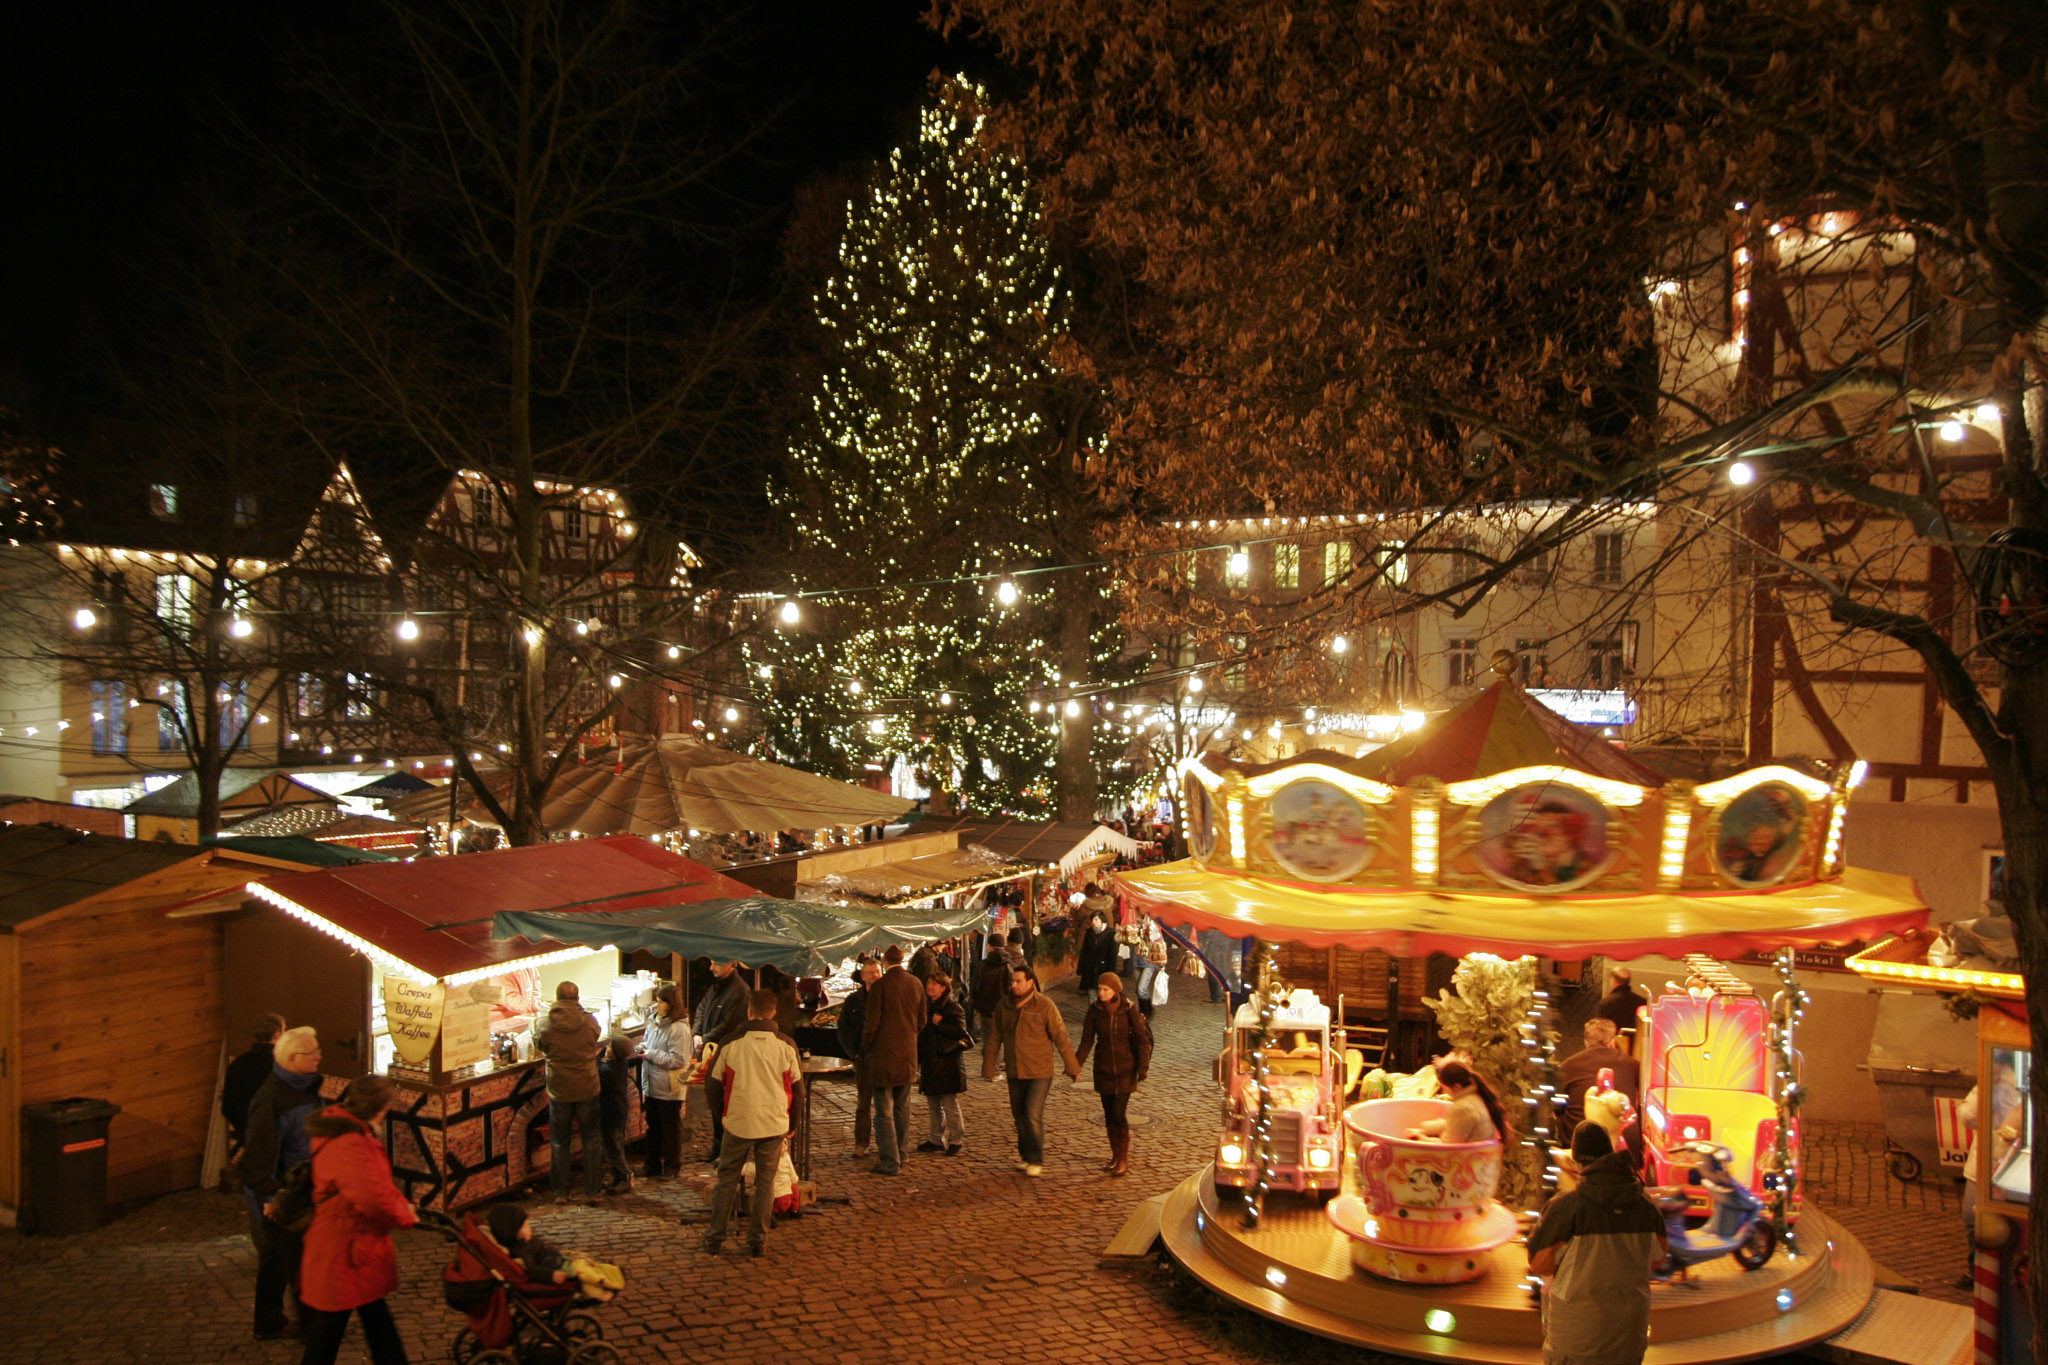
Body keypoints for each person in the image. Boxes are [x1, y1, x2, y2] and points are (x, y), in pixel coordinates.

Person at [298, 1075, 418, 1365]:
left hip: (351, 1245)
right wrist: (404, 1214)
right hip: (346, 1248)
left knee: (371, 1315)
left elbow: (375, 1186)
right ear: (380, 1107)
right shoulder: (352, 1142)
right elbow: (370, 1195)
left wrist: (401, 1204)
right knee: (330, 1327)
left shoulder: (340, 1130)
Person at [1526, 1122, 1667, 1365]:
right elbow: (1657, 1259)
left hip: (1576, 1343)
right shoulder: (1647, 1206)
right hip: (1629, 1341)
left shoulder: (1565, 1208)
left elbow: (1539, 1264)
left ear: (1578, 1162)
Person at [237, 1025, 325, 1341]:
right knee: (296, 1259)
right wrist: (270, 1197)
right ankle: (311, 1324)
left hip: (293, 1190)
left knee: (277, 1260)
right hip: (283, 1195)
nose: (319, 1056)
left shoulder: (302, 1089)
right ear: (292, 1058)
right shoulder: (274, 1099)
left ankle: (271, 1322)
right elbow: (259, 1154)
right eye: (313, 1052)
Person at [701, 989, 802, 1257]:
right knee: (766, 1183)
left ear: (749, 1011)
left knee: (726, 1180)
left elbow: (712, 1084)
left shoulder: (730, 1043)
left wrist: (721, 1114)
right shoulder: (786, 1045)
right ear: (774, 1012)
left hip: (738, 1121)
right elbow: (798, 1088)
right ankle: (758, 1240)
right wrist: (792, 1123)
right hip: (773, 1122)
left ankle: (715, 1237)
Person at [982, 964, 1081, 1176]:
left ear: (1030, 982)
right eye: (1012, 981)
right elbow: (994, 1038)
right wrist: (989, 1066)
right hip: (1015, 1070)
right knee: (1019, 1116)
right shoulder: (1004, 1006)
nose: (1014, 985)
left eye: (1018, 981)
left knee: (1032, 1114)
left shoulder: (1045, 1006)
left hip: (1040, 1070)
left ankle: (1036, 1159)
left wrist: (1071, 1065)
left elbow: (1060, 1036)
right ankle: (1026, 1156)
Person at [1076, 973, 1153, 1177]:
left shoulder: (1129, 1010)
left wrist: (1143, 1067)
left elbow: (1141, 1039)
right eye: (1100, 989)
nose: (1101, 993)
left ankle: (1123, 1158)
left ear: (1115, 991)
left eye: (1105, 990)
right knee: (1109, 1114)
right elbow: (1086, 1040)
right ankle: (1115, 1155)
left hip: (1126, 1069)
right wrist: (1076, 1064)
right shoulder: (1095, 1011)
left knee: (1119, 1113)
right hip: (1103, 1068)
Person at [532, 981, 602, 1205]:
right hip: (587, 1086)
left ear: (556, 997)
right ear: (577, 998)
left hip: (559, 1089)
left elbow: (539, 1043)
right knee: (591, 1140)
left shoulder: (545, 1024)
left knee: (559, 1142)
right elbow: (595, 1038)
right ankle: (593, 1191)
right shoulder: (590, 1022)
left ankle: (561, 1192)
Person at [861, 944, 925, 1175]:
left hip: (883, 1055)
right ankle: (902, 1152)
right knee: (902, 1107)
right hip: (908, 1053)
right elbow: (922, 1019)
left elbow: (872, 1023)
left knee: (884, 1111)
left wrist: (867, 1046)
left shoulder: (881, 987)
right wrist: (909, 1036)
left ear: (885, 961)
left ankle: (890, 1160)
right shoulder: (916, 983)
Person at [692, 961, 751, 1160]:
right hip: (712, 1051)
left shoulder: (740, 991)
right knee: (715, 1098)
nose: (711, 968)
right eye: (710, 963)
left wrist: (705, 1037)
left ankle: (725, 1149)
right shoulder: (716, 986)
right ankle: (718, 1147)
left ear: (731, 965)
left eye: (716, 963)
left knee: (726, 1101)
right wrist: (697, 1033)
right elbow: (701, 1008)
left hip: (726, 1053)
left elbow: (730, 1023)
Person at [915, 970, 970, 1156]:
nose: (930, 986)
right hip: (930, 1062)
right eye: (928, 983)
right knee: (933, 1105)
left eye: (934, 984)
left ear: (943, 987)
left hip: (947, 1064)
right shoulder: (926, 1006)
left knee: (949, 1104)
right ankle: (936, 1138)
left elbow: (963, 1035)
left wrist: (941, 1024)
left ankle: (956, 1140)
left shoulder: (952, 1008)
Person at [638, 984, 689, 1180]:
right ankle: (652, 1164)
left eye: (661, 1002)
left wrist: (650, 1054)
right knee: (653, 1126)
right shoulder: (654, 1022)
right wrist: (642, 1047)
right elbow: (648, 1042)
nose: (657, 1005)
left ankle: (672, 1165)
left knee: (670, 1128)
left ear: (671, 1004)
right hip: (652, 1083)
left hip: (669, 1086)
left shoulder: (679, 1029)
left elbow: (677, 1060)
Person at [1557, 1018, 1642, 1135]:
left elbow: (1556, 1107)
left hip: (1578, 1141)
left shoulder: (1568, 1065)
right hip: (1625, 1143)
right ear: (1612, 1042)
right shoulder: (1632, 1064)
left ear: (1586, 1042)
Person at [223, 1012, 287, 1154]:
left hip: (249, 1137)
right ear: (277, 1034)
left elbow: (227, 1106)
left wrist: (245, 1130)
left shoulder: (238, 1064)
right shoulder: (284, 1066)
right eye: (284, 1031)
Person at [837, 959, 881, 1156]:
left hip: (883, 1057)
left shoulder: (888, 998)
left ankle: (885, 1143)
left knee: (884, 1104)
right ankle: (861, 1143)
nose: (874, 976)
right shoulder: (853, 1000)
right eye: (870, 973)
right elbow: (843, 1028)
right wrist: (853, 1053)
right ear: (863, 977)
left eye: (877, 972)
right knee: (864, 1103)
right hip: (863, 1058)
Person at [1410, 1060, 1510, 1144]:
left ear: (1457, 1087)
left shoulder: (1463, 1108)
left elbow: (1448, 1145)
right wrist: (1425, 1129)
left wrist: (1421, 1138)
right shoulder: (1478, 1097)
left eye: (1445, 1088)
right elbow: (1456, 1125)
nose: (1444, 1092)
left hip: (1465, 1159)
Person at [595, 1026, 636, 1196]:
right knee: (617, 1146)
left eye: (610, 1047)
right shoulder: (619, 1065)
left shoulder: (608, 1071)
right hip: (618, 1113)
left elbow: (595, 1071)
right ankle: (618, 1177)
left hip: (610, 1115)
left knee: (613, 1149)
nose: (607, 1049)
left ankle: (625, 1175)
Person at [974, 934, 1011, 1049]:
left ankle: (992, 1065)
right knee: (1005, 1041)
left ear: (989, 946)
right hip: (1005, 1009)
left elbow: (975, 989)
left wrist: (975, 1007)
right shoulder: (1009, 965)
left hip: (987, 1010)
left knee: (990, 1045)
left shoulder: (982, 966)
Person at [1595, 967, 1649, 1039]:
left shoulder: (1606, 1004)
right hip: (1636, 1046)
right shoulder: (1642, 1002)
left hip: (1612, 1046)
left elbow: (1599, 1031)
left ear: (1613, 980)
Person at [1077, 907, 1117, 994]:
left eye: (1096, 919)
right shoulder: (1089, 932)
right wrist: (1081, 968)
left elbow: (1112, 955)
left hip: (1103, 968)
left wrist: (1111, 973)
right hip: (1090, 968)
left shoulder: (1110, 934)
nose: (1093, 922)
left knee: (1102, 993)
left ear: (1102, 920)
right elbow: (1085, 950)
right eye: (1092, 920)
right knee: (1092, 993)